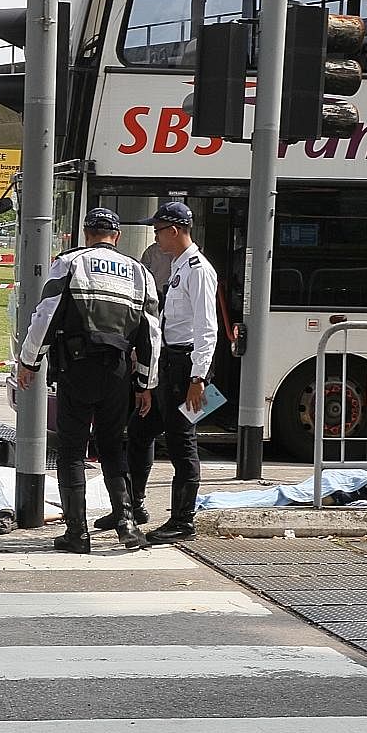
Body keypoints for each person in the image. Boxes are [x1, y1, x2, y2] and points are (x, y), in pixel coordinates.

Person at [17, 207, 161, 554]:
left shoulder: (69, 263)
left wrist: (29, 361)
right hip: (118, 372)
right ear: (117, 237)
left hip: (76, 369)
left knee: (71, 451)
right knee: (112, 447)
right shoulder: (140, 273)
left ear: (85, 233)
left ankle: (77, 533)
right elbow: (152, 334)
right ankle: (126, 523)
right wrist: (145, 384)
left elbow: (45, 315)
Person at [128, 201, 218, 543]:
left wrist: (198, 379)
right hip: (169, 363)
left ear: (175, 231)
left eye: (158, 231)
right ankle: (134, 505)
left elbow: (206, 329)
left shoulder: (198, 270)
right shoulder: (180, 266)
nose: (155, 237)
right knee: (140, 429)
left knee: (182, 443)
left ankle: (183, 521)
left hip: (186, 367)